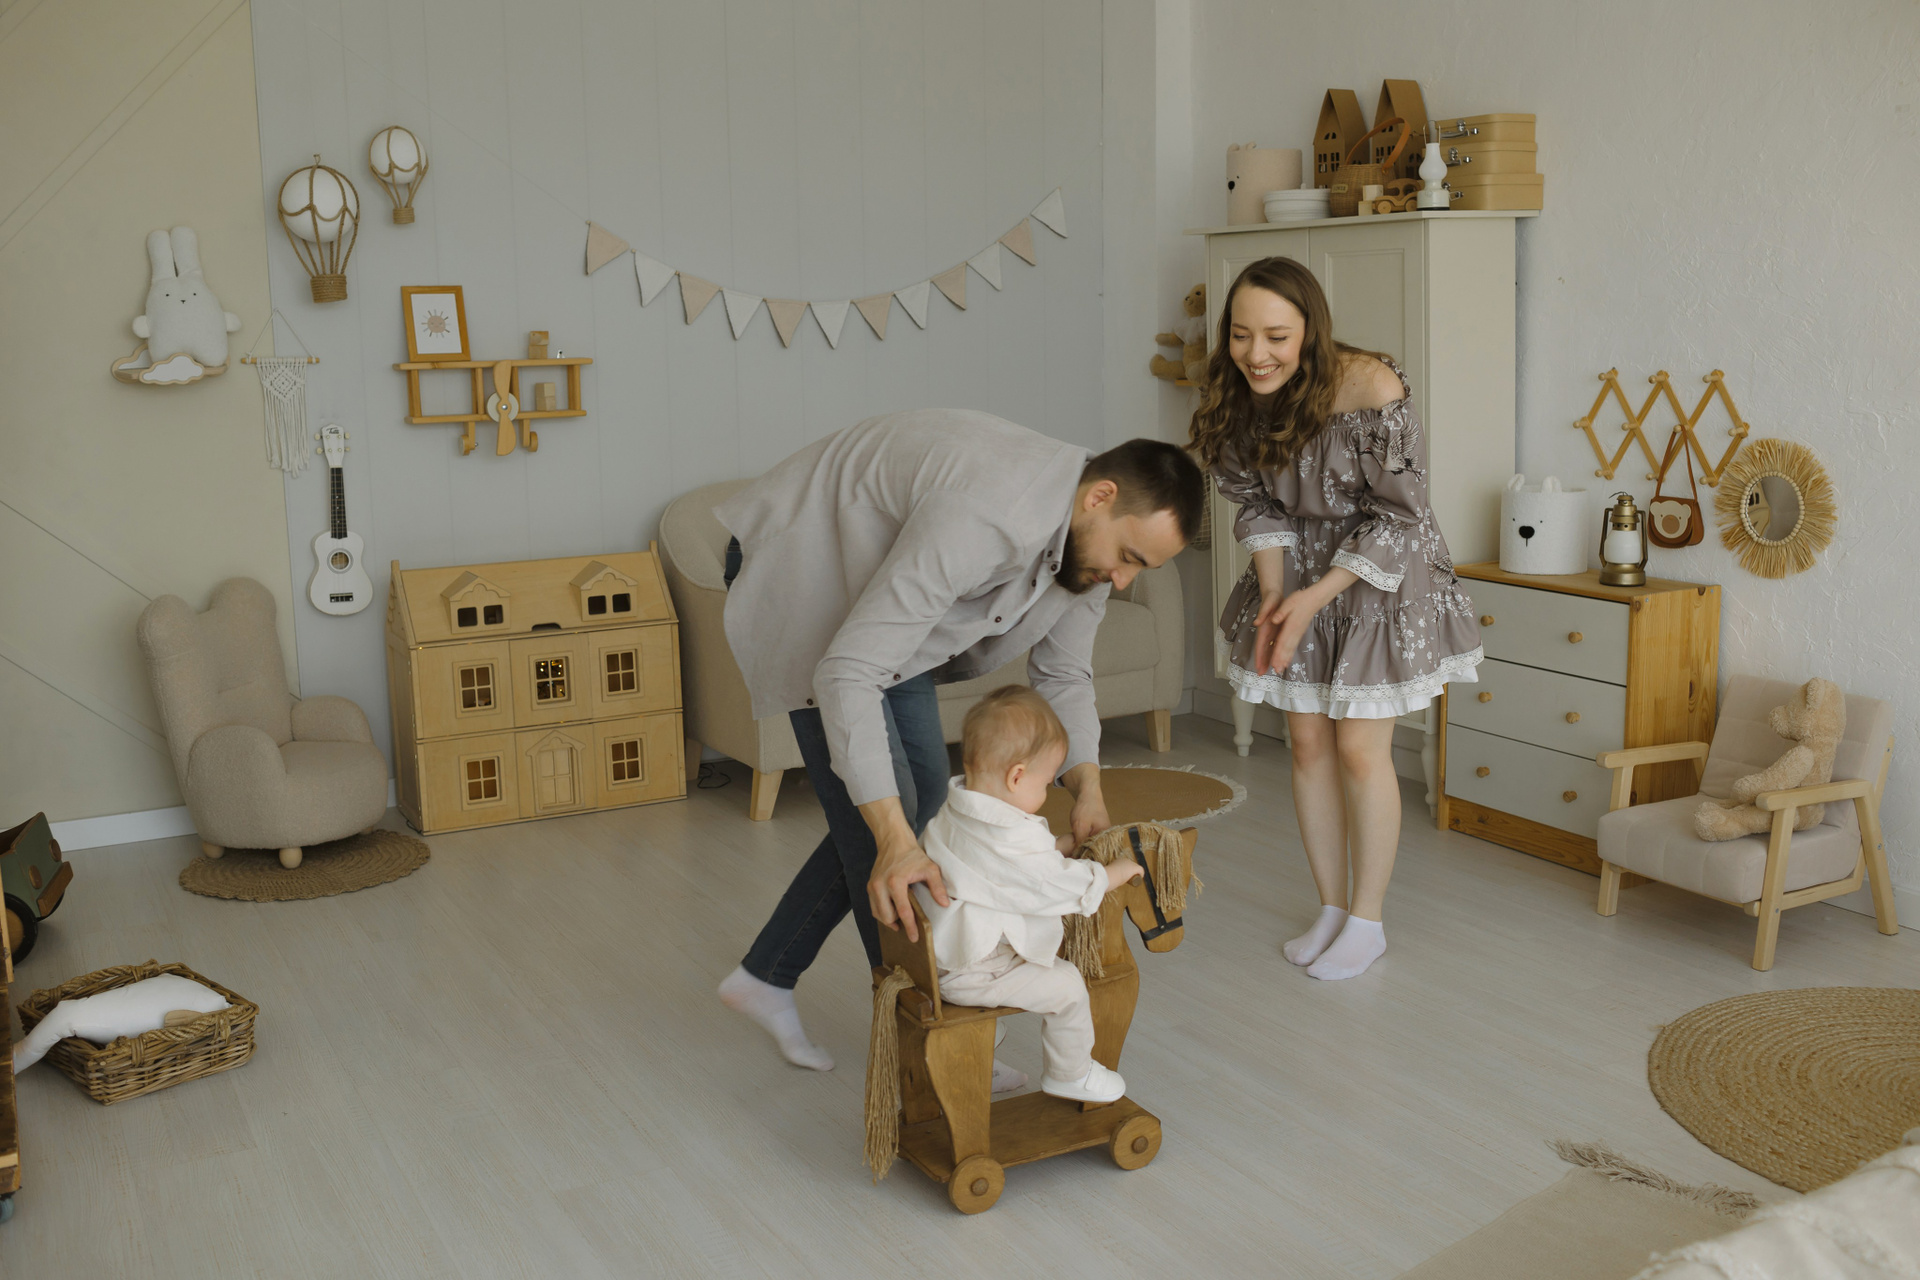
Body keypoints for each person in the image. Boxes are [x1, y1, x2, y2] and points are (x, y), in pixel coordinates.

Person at [711, 409, 1202, 1072]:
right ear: (1100, 497)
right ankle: (936, 1046)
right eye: (1129, 558)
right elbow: (849, 671)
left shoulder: (1090, 545)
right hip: (807, 559)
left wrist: (1086, 786)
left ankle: (766, 976)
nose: (1124, 581)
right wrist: (892, 838)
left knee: (928, 810)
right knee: (888, 838)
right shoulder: (988, 516)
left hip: (882, 569)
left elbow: (1063, 673)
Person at [1188, 257, 1483, 981]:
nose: (1256, 354)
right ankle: (1330, 907)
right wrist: (1277, 595)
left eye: (1277, 337)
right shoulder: (1236, 392)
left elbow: (1400, 513)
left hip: (1377, 570)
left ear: (1311, 331)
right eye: (1241, 335)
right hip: (1298, 567)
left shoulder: (1372, 388)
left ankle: (1367, 920)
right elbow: (1257, 503)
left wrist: (1315, 597)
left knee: (1358, 750)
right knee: (1306, 745)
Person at [913, 686, 1141, 1104]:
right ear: (1016, 777)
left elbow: (997, 870)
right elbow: (1054, 886)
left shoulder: (955, 810)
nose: (1046, 792)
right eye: (1046, 783)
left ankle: (982, 1060)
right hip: (975, 971)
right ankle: (1070, 1073)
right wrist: (1114, 873)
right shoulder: (1011, 835)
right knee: (1067, 985)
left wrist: (1056, 848)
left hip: (941, 956)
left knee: (1054, 973)